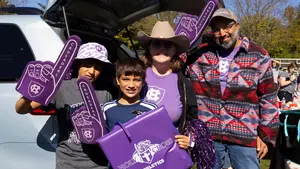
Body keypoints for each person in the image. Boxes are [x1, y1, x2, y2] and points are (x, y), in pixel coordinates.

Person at [185, 8, 279, 169]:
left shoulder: (258, 55)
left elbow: (268, 98)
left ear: (237, 26)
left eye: (227, 26)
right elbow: (175, 63)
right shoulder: (200, 54)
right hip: (209, 135)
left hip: (245, 136)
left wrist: (265, 135)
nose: (222, 33)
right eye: (216, 29)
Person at [15, 42, 113, 169]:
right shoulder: (61, 88)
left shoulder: (107, 92)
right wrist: (29, 94)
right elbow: (22, 109)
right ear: (78, 65)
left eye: (97, 68)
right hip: (68, 162)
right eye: (87, 66)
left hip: (98, 163)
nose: (91, 72)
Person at [137, 21, 215, 168]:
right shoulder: (135, 77)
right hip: (139, 153)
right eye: (156, 44)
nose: (162, 49)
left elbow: (192, 118)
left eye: (167, 45)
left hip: (170, 155)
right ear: (149, 47)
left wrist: (189, 139)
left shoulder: (184, 83)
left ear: (174, 50)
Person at [103, 58, 157, 131]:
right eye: (126, 79)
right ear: (118, 81)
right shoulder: (107, 108)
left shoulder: (152, 109)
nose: (131, 85)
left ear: (143, 82)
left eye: (137, 80)